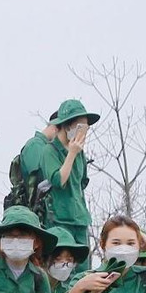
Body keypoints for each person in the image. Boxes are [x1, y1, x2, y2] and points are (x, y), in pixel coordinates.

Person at [40, 99, 100, 265]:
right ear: (67, 126)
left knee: (83, 267)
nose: (84, 132)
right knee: (62, 265)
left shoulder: (80, 153)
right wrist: (71, 153)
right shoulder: (49, 150)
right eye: (80, 127)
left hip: (79, 218)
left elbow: (82, 181)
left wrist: (76, 152)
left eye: (86, 127)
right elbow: (59, 181)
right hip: (59, 218)